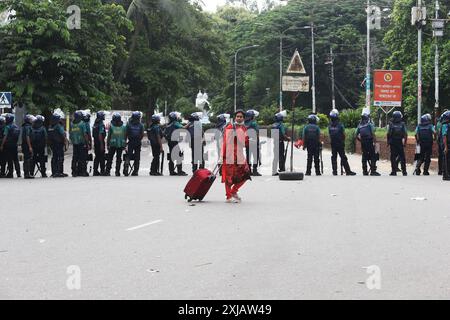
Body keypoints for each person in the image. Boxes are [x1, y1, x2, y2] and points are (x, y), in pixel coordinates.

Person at [222, 110, 251, 203]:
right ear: (235, 117)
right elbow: (226, 142)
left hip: (239, 155)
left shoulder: (244, 128)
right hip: (230, 155)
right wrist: (223, 155)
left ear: (243, 118)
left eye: (241, 117)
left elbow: (245, 142)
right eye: (237, 116)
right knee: (229, 176)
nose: (239, 118)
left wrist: (248, 140)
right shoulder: (230, 127)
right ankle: (228, 196)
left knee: (245, 174)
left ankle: (234, 191)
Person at [328, 109, 356, 176]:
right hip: (340, 143)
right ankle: (348, 171)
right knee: (343, 157)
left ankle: (334, 171)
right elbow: (344, 134)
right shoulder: (340, 125)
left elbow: (329, 135)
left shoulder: (329, 126)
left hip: (333, 144)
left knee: (334, 157)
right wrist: (343, 141)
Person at [356, 111, 380, 176]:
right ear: (367, 118)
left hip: (363, 143)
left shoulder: (359, 126)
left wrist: (361, 141)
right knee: (373, 156)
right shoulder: (369, 125)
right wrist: (375, 142)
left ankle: (364, 171)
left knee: (364, 156)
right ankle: (373, 171)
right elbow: (373, 134)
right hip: (369, 142)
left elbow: (356, 135)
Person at [165, 111, 187, 176]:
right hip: (174, 142)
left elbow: (164, 134)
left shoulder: (168, 125)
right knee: (179, 156)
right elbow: (183, 127)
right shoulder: (175, 123)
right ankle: (179, 171)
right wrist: (189, 123)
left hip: (170, 142)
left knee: (172, 156)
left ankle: (171, 171)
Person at [387, 111, 408, 176]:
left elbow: (388, 134)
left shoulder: (391, 124)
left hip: (393, 142)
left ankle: (394, 171)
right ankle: (404, 171)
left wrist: (388, 142)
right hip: (400, 142)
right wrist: (405, 143)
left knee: (393, 157)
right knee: (402, 157)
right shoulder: (402, 124)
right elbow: (405, 134)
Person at [70, 110, 90, 177]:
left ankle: (74, 172)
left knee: (75, 158)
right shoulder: (82, 123)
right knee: (82, 158)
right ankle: (83, 172)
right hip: (82, 143)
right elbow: (85, 134)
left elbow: (71, 134)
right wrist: (87, 144)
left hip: (75, 143)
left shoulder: (72, 124)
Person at [0, 113, 21, 178]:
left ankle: (10, 173)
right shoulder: (16, 127)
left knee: (9, 160)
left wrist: (2, 145)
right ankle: (18, 173)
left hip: (8, 145)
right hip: (15, 145)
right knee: (16, 159)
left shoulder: (7, 127)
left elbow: (5, 136)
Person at [106, 112, 126, 177]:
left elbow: (109, 136)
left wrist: (107, 144)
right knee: (119, 158)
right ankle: (117, 172)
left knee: (110, 158)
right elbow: (125, 136)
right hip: (120, 144)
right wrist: (124, 145)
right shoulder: (123, 127)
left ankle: (107, 171)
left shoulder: (111, 127)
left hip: (112, 144)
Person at [48, 112, 68, 178]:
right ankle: (59, 172)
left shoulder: (50, 126)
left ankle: (54, 172)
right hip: (59, 144)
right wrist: (65, 143)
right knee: (60, 158)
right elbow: (63, 134)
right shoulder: (58, 126)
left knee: (54, 157)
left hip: (52, 144)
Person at [126, 111, 145, 176]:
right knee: (137, 157)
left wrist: (126, 141)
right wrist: (139, 139)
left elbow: (126, 134)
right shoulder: (141, 125)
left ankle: (126, 165)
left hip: (131, 142)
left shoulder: (129, 124)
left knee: (129, 155)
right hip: (137, 142)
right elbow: (142, 134)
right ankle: (135, 171)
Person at [272, 111, 290, 176]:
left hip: (275, 142)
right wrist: (288, 138)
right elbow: (283, 134)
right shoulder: (281, 125)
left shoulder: (273, 125)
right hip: (280, 142)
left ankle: (274, 171)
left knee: (275, 156)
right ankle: (282, 169)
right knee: (281, 156)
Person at [245, 109, 261, 176]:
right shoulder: (254, 123)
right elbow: (257, 133)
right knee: (255, 156)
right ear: (252, 116)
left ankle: (248, 170)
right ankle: (255, 170)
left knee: (248, 156)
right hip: (254, 141)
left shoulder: (245, 123)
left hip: (247, 141)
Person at [92, 111, 107, 176]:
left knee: (97, 157)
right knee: (102, 157)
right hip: (100, 142)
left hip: (95, 142)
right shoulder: (101, 124)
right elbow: (100, 134)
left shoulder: (95, 123)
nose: (104, 116)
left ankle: (95, 171)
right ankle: (102, 171)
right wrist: (101, 145)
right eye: (103, 115)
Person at [21, 114, 35, 179]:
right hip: (27, 145)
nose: (32, 121)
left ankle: (27, 173)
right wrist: (30, 146)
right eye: (31, 120)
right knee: (27, 159)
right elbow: (27, 136)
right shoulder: (28, 127)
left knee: (27, 159)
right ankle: (27, 174)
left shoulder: (25, 126)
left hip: (25, 145)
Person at [82, 110, 92, 176]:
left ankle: (77, 171)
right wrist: (89, 143)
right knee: (84, 157)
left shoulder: (79, 123)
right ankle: (83, 171)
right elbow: (88, 135)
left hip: (78, 143)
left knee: (77, 157)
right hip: (84, 143)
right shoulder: (86, 124)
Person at [441, 110, 450, 181]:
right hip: (446, 144)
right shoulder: (445, 125)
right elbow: (444, 136)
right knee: (446, 159)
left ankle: (446, 175)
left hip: (446, 144)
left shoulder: (445, 124)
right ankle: (446, 175)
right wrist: (446, 147)